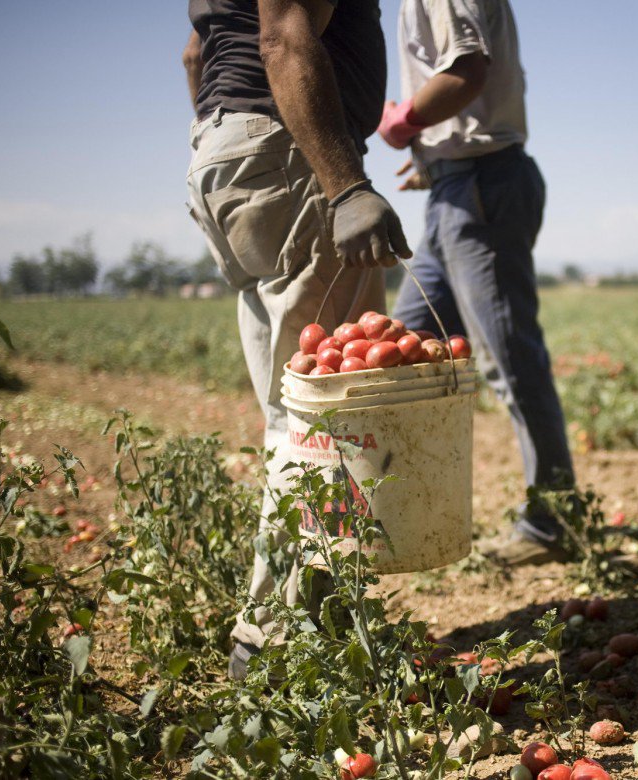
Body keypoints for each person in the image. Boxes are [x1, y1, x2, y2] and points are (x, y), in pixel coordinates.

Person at [182, 0, 410, 679]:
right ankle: (277, 642)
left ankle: (303, 623)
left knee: (293, 411)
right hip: (288, 153)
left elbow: (195, 56)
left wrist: (234, 143)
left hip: (226, 151)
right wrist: (344, 186)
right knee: (323, 418)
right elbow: (282, 36)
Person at [377, 0, 574, 566]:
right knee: (404, 352)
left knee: (510, 360)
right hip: (458, 186)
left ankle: (552, 524)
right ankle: (401, 516)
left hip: (482, 185)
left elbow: (467, 72)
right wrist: (436, 160)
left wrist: (403, 122)